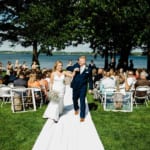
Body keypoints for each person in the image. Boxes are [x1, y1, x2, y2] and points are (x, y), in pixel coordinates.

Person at [70, 56, 93, 122]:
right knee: (74, 99)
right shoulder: (76, 65)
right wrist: (74, 69)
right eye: (79, 60)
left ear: (85, 61)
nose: (80, 62)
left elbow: (90, 80)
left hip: (83, 87)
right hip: (75, 86)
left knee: (82, 101)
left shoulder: (88, 69)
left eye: (81, 61)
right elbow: (68, 68)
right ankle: (76, 108)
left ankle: (82, 116)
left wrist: (90, 88)